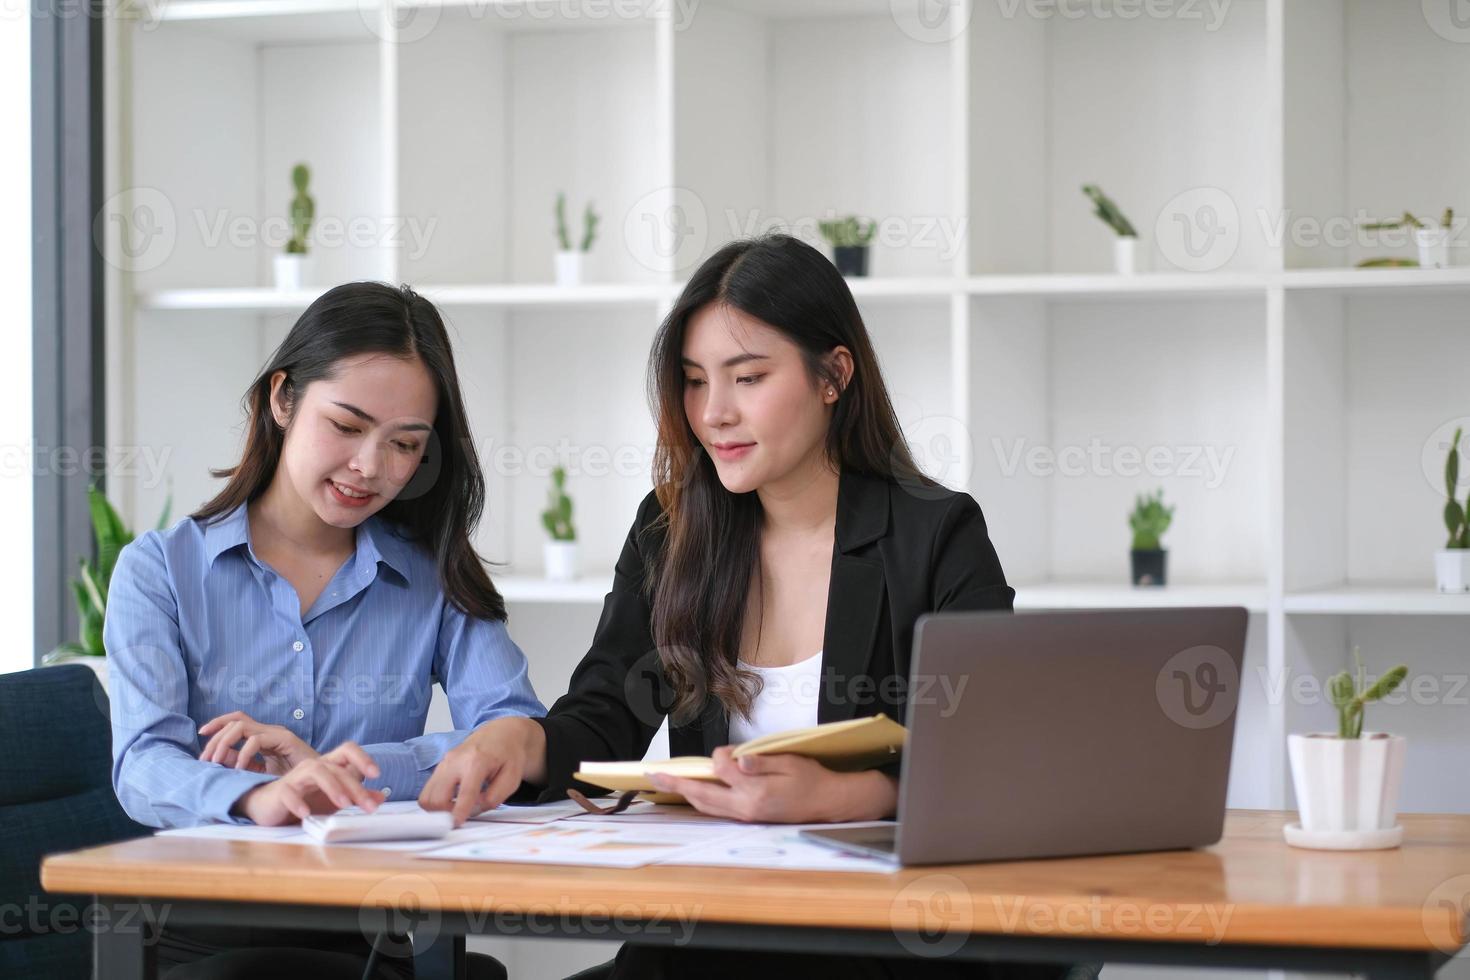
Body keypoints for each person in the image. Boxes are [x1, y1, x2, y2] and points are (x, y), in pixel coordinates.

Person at [417, 235, 1073, 979]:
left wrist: (842, 796)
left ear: (834, 375)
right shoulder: (670, 530)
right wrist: (522, 744)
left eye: (748, 377)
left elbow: (993, 755)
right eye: (695, 382)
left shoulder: (935, 532)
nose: (714, 413)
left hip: (883, 944)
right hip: (710, 935)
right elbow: (604, 716)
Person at [105, 281, 542, 979]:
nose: (370, 467)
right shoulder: (160, 571)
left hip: (389, 923)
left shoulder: (433, 578)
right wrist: (263, 795)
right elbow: (144, 765)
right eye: (345, 426)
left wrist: (336, 770)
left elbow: (511, 732)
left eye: (404, 444)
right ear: (282, 399)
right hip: (212, 927)